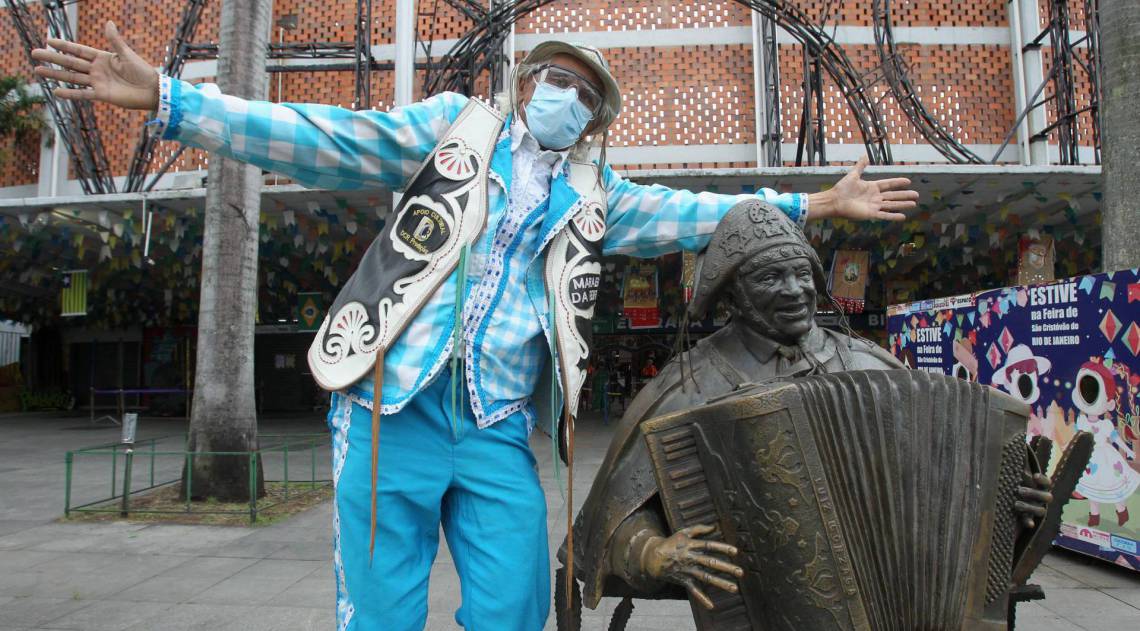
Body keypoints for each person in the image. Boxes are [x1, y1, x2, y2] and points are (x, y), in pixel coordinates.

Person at [33, 23, 919, 631]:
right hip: (390, 412)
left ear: (595, 119)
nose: (563, 96)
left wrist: (812, 203)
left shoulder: (593, 197)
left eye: (582, 91)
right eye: (553, 79)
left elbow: (697, 216)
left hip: (495, 431)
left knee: (514, 605)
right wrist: (173, 101)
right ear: (526, 83)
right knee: (379, 612)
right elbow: (324, 136)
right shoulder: (450, 129)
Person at [569, 200, 1053, 614]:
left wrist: (1007, 499)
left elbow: (947, 488)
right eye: (772, 277)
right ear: (733, 294)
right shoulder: (693, 382)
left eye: (802, 274)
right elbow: (617, 514)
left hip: (892, 600)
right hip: (757, 608)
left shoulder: (869, 364)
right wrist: (652, 553)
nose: (796, 290)